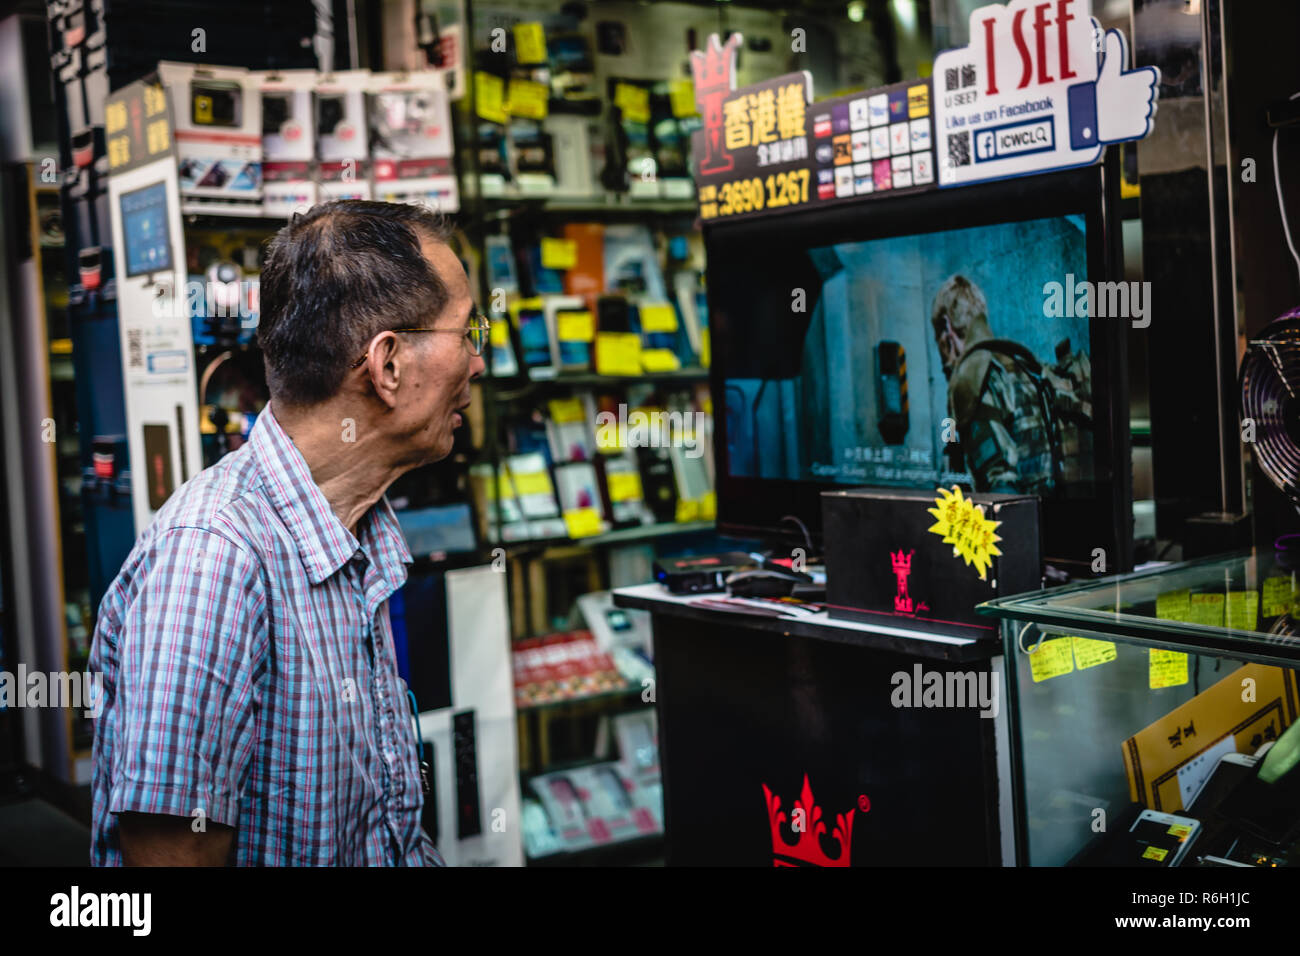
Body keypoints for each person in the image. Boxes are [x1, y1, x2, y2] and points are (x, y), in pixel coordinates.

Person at [89, 200, 487, 865]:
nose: (477, 363)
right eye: (466, 333)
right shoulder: (214, 558)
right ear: (386, 365)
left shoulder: (357, 527)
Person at [930, 274, 1090, 495]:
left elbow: (1001, 487)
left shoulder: (975, 376)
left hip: (1021, 524)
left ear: (946, 327)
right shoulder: (1022, 365)